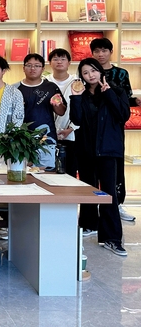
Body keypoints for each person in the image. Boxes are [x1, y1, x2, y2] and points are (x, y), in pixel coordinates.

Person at [70, 58, 130, 255]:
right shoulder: (82, 94)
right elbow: (76, 119)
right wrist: (75, 98)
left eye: (93, 71)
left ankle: (112, 238)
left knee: (108, 194)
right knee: (88, 190)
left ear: (100, 71)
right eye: (85, 73)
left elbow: (123, 115)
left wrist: (109, 93)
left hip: (108, 150)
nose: (90, 75)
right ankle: (88, 224)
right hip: (86, 150)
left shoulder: (116, 90)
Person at [91, 37, 139, 222]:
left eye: (104, 50)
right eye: (97, 51)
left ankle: (117, 204)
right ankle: (93, 207)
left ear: (111, 52)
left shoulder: (121, 73)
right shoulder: (89, 71)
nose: (100, 54)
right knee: (93, 168)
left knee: (116, 167)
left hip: (114, 127)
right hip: (94, 126)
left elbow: (125, 99)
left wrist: (135, 101)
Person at [17, 53, 66, 169]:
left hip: (47, 139)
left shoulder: (51, 87)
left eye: (37, 66)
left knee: (47, 172)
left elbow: (61, 112)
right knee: (23, 172)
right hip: (22, 140)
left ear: (43, 68)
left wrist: (57, 104)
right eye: (29, 65)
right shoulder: (16, 89)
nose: (32, 68)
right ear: (23, 68)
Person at [44, 48, 80, 178]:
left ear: (69, 62)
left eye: (63, 59)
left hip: (72, 134)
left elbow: (82, 109)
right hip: (46, 136)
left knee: (69, 172)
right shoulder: (44, 82)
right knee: (47, 172)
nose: (59, 62)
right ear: (49, 63)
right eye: (55, 59)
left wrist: (72, 128)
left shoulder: (78, 82)